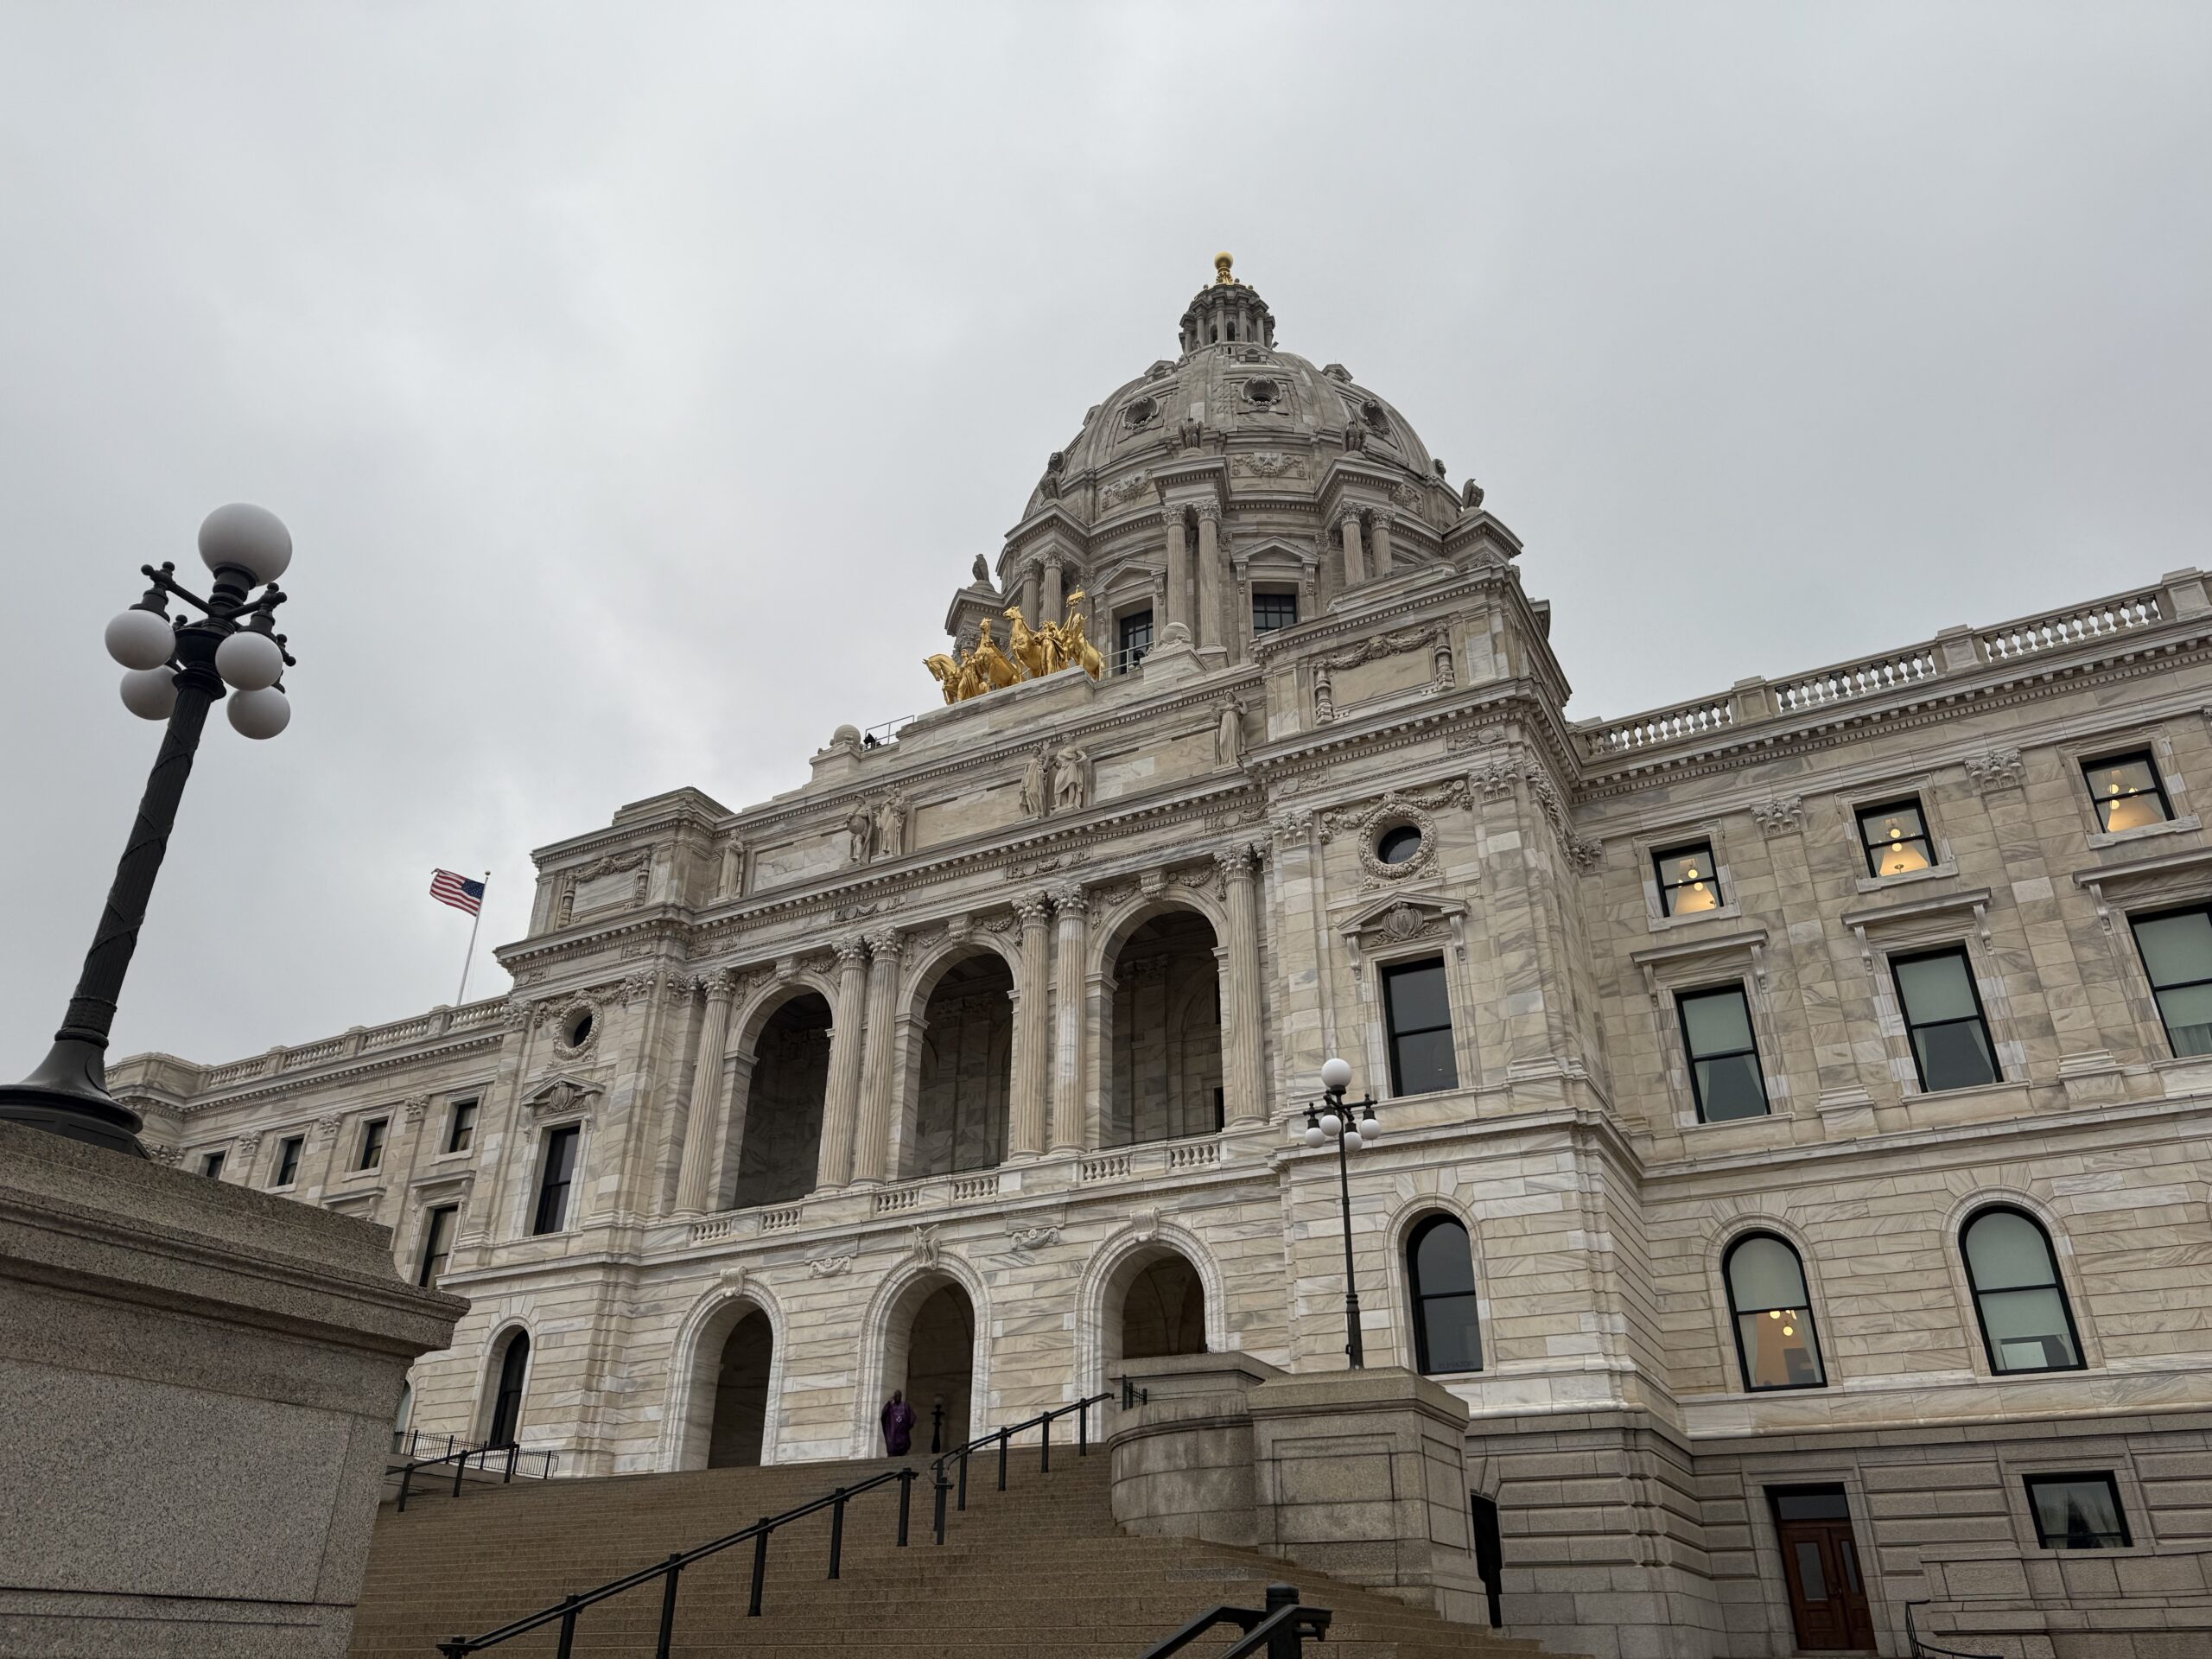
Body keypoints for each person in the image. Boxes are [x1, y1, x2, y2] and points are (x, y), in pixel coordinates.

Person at [880, 1389, 916, 1456]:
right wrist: (888, 1403)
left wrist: (907, 1427)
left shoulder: (905, 1405)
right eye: (896, 1396)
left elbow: (912, 1417)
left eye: (899, 1396)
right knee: (892, 1445)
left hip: (903, 1431)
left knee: (904, 1445)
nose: (898, 1397)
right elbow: (884, 1415)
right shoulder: (890, 1406)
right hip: (893, 1432)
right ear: (894, 1397)